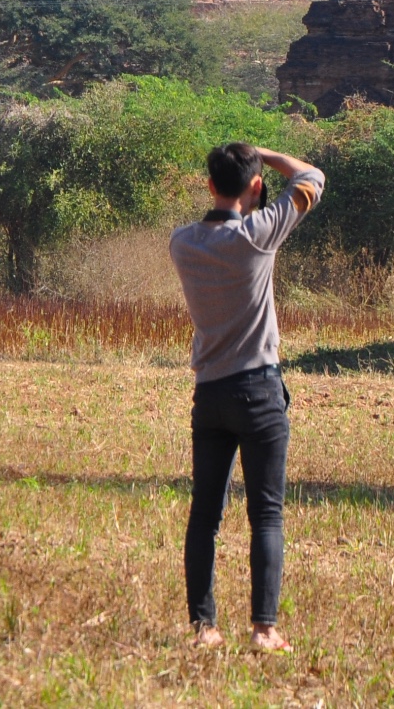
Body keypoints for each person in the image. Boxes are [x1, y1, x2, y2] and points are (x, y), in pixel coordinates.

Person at [167, 141, 325, 653]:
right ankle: (263, 628)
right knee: (267, 514)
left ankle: (204, 627)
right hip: (258, 390)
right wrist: (267, 154)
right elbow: (312, 178)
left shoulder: (182, 244)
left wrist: (247, 167)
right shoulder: (259, 235)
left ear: (209, 185)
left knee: (205, 513)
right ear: (255, 188)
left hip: (209, 393)